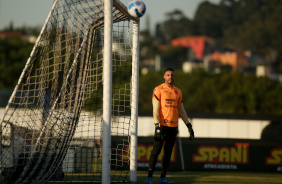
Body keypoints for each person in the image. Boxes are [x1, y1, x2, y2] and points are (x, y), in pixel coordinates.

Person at [145, 68, 194, 184]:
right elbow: (155, 110)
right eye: (168, 75)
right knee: (156, 151)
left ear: (174, 77)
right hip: (162, 126)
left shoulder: (178, 91)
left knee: (167, 153)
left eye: (172, 75)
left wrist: (189, 126)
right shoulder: (158, 89)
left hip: (173, 127)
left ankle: (163, 178)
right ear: (164, 76)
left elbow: (182, 111)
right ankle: (149, 178)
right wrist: (157, 126)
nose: (170, 77)